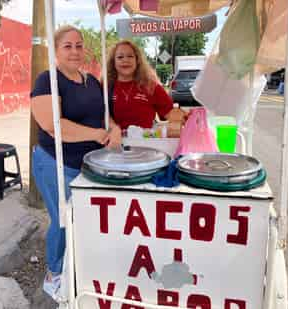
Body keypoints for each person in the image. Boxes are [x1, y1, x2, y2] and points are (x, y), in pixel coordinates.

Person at [30, 25, 121, 299]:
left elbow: (104, 117)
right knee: (63, 219)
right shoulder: (48, 80)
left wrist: (114, 129)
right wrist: (96, 134)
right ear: (56, 51)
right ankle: (54, 274)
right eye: (67, 46)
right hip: (56, 163)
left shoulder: (91, 81)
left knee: (83, 220)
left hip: (88, 165)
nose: (74, 51)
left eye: (79, 45)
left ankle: (78, 267)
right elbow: (51, 125)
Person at [107, 40, 187, 131]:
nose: (125, 60)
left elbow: (170, 113)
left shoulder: (151, 86)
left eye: (130, 56)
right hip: (115, 144)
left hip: (145, 143)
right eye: (120, 57)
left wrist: (188, 117)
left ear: (137, 61)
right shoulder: (106, 87)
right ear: (113, 62)